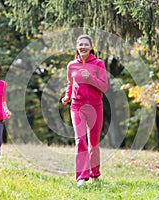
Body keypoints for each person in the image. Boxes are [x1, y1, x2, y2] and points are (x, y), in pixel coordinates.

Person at [62, 34, 108, 187]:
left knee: (93, 143)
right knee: (80, 139)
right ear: (77, 47)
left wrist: (90, 79)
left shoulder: (99, 63)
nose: (82, 47)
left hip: (95, 106)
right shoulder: (71, 65)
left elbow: (104, 86)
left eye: (85, 44)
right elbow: (70, 83)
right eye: (80, 44)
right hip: (77, 106)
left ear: (91, 47)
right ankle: (81, 177)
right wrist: (67, 96)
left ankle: (95, 173)